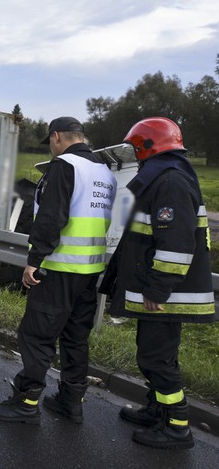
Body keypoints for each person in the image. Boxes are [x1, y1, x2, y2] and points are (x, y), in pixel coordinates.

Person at [0, 116, 117, 424]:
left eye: (50, 143)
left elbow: (50, 217)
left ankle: (26, 401)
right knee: (75, 337)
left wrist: (35, 260)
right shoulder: (105, 173)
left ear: (56, 137)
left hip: (58, 268)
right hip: (90, 271)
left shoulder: (64, 166)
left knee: (37, 335)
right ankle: (71, 401)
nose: (51, 149)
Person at [99, 117, 215, 449]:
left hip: (166, 296)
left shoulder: (171, 182)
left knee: (156, 360)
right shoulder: (167, 177)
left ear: (148, 146)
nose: (135, 155)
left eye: (136, 148)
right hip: (162, 294)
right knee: (154, 355)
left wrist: (157, 289)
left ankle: (177, 426)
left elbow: (177, 245)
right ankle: (157, 410)